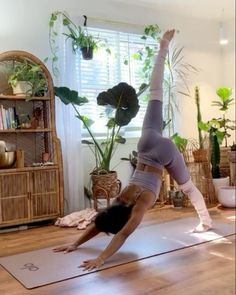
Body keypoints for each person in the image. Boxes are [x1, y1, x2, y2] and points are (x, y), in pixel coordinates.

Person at [53, 29, 212, 271]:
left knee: (188, 187)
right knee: (155, 94)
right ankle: (163, 47)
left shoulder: (137, 209)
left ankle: (206, 222)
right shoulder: (120, 199)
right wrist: (75, 244)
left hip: (164, 154)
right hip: (147, 144)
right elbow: (100, 222)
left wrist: (100, 258)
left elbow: (121, 235)